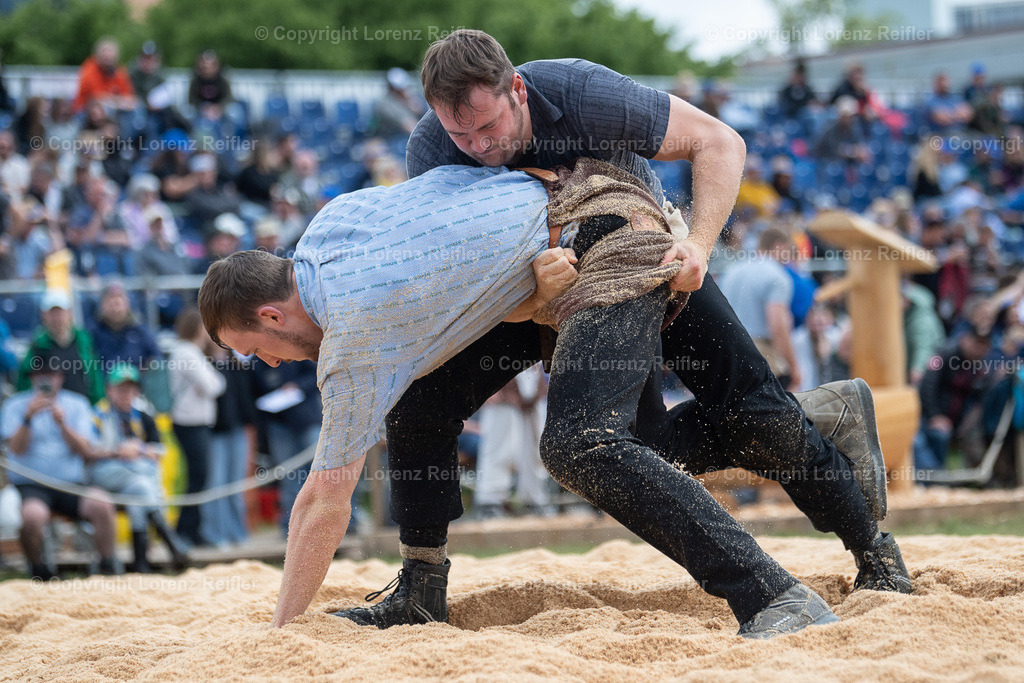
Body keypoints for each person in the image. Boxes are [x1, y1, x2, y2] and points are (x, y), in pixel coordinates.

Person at [376, 29, 907, 627]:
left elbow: (718, 141)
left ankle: (872, 549)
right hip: (531, 282)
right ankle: (419, 588)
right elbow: (460, 271)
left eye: (487, 126)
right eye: (459, 134)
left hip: (636, 253)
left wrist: (700, 246)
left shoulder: (580, 91)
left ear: (517, 90)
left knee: (753, 415)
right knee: (420, 397)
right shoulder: (432, 149)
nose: (476, 147)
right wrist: (527, 302)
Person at [198, 160, 844, 638]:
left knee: (585, 446)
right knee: (418, 405)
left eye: (256, 349)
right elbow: (447, 184)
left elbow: (322, 500)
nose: (268, 364)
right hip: (558, 224)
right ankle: (421, 590)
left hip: (603, 230)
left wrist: (282, 631)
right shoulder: (327, 226)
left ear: (272, 315)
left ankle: (772, 591)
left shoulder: (354, 333)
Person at [1, 353, 119, 579]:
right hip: (31, 485)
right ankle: (40, 571)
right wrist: (28, 417)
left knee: (102, 504)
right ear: (33, 378)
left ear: (60, 377)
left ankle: (108, 568)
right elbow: (15, 449)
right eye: (40, 375)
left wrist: (63, 424)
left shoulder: (77, 404)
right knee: (33, 517)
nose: (45, 380)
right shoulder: (15, 405)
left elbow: (85, 451)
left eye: (50, 375)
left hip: (70, 484)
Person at [89, 364, 188, 572]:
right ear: (110, 390)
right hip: (106, 473)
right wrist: (119, 451)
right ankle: (169, 540)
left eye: (131, 389)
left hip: (134, 479)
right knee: (145, 479)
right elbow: (89, 451)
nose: (127, 394)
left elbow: (158, 449)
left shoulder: (143, 413)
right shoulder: (97, 414)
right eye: (121, 389)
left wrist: (138, 450)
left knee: (139, 492)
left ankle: (140, 563)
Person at [167, 308, 225, 547]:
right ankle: (187, 530)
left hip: (192, 421)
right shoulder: (187, 353)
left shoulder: (187, 352)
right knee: (198, 477)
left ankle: (189, 529)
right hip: (190, 422)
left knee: (198, 476)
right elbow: (214, 386)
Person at [719, 227, 801, 391]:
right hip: (760, 356)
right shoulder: (777, 276)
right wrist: (794, 367)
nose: (789, 258)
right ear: (779, 246)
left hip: (726, 355)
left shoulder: (731, 271)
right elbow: (777, 326)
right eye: (789, 251)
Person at [472, 365, 552, 518]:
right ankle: (490, 500)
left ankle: (534, 498)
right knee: (499, 445)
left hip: (530, 372)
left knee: (535, 447)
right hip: (500, 376)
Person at [17, 290, 105, 404]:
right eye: (52, 313)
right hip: (47, 410)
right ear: (43, 315)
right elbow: (24, 380)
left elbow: (94, 376)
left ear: (69, 313)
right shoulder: (37, 345)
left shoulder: (84, 341)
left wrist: (97, 402)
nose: (56, 318)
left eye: (60, 312)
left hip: (81, 410)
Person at [72, 38, 137, 113]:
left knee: (136, 110)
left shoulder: (119, 71)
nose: (108, 62)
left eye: (110, 59)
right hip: (86, 110)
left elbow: (128, 96)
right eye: (105, 59)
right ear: (98, 57)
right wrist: (116, 99)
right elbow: (96, 98)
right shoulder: (89, 70)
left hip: (114, 109)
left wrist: (117, 100)